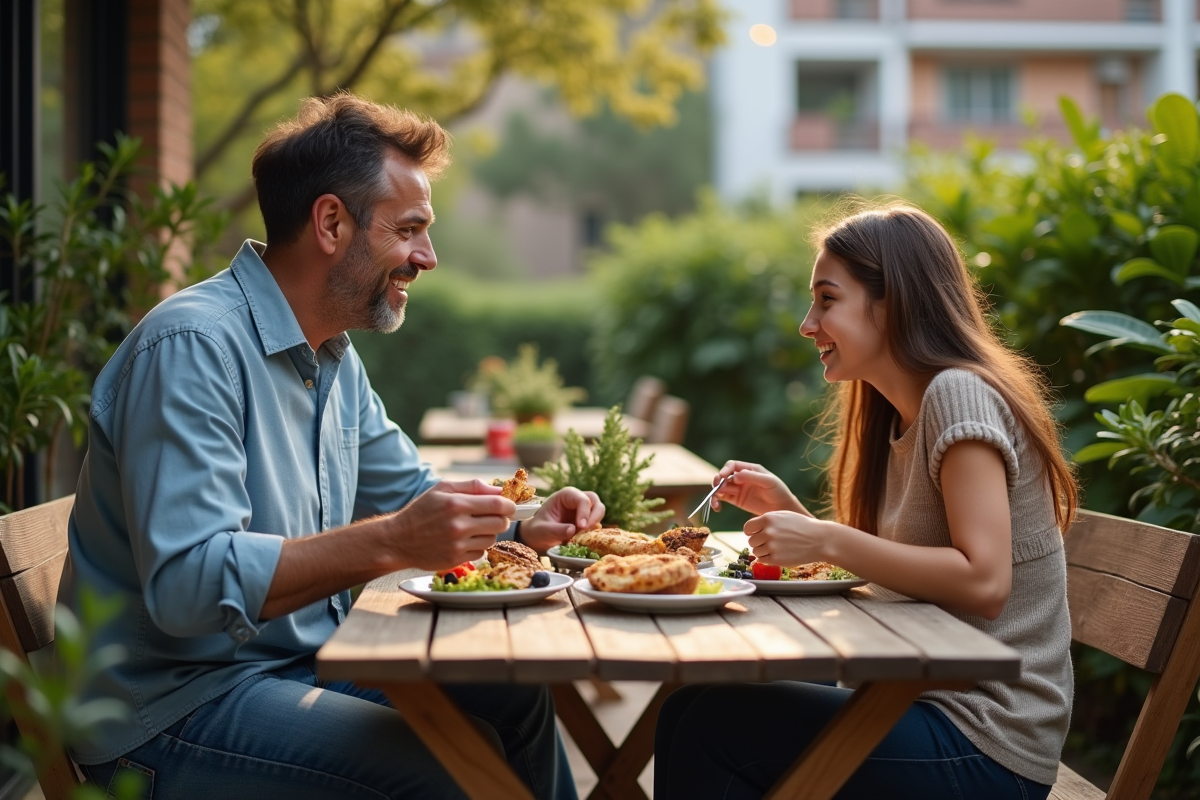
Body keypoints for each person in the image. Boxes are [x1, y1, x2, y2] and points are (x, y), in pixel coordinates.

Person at [62, 93, 601, 799]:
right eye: (410, 229)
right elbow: (188, 585)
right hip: (169, 711)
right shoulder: (193, 348)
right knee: (437, 775)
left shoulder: (332, 358)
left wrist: (522, 527)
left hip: (287, 668)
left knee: (513, 701)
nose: (428, 257)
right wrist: (391, 542)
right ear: (331, 222)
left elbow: (411, 495)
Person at [654, 203, 1077, 800]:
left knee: (711, 728)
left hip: (987, 743)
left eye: (827, 299)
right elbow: (897, 572)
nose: (807, 323)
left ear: (894, 302)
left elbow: (985, 582)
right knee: (688, 708)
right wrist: (797, 514)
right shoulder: (894, 414)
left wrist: (825, 539)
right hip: (920, 706)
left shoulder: (959, 396)